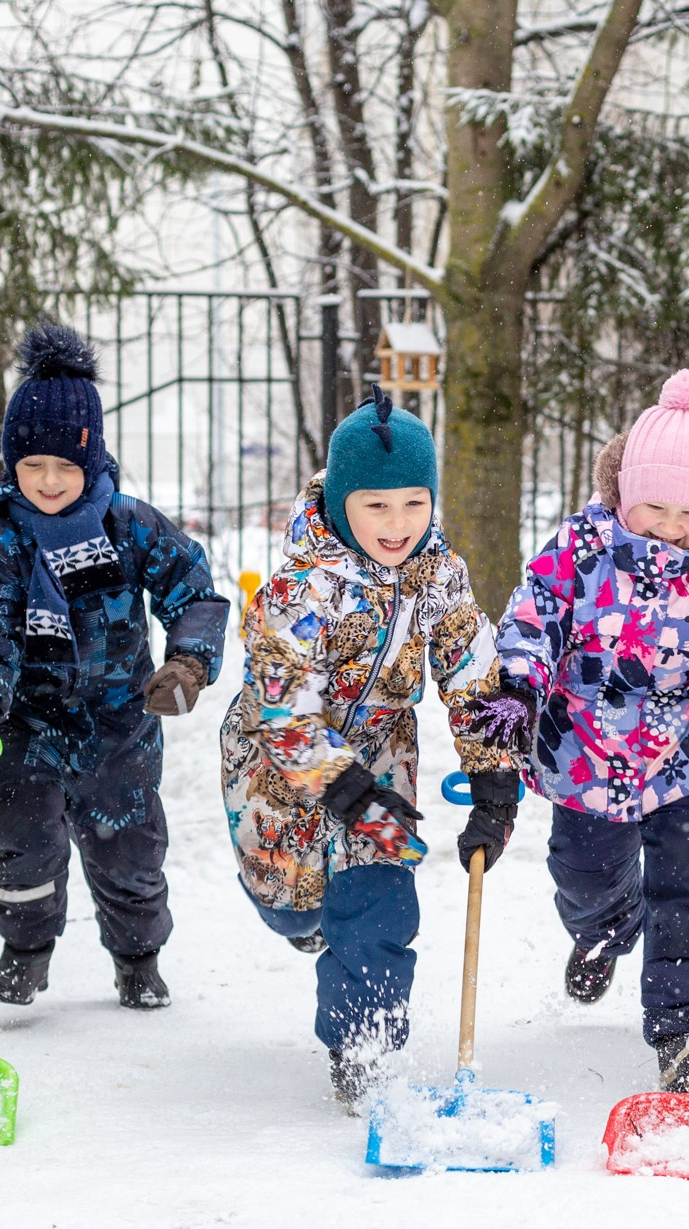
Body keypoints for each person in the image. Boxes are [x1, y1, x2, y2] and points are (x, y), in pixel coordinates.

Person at [488, 370, 689, 1087]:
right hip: (583, 753)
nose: (669, 527)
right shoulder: (580, 547)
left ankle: (688, 1030)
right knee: (586, 877)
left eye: (688, 515)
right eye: (653, 507)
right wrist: (516, 684)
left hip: (682, 762)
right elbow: (533, 615)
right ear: (625, 493)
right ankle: (603, 930)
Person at [221, 388, 521, 1110]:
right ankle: (304, 921)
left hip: (383, 755)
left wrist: (495, 780)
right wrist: (339, 784)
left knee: (381, 903)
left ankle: (365, 1044)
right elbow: (278, 702)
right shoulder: (301, 586)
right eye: (376, 506)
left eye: (414, 504)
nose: (398, 525)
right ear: (343, 501)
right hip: (278, 768)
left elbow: (472, 671)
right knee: (292, 906)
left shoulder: (439, 576)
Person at [0, 324, 227, 1010]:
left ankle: (137, 959)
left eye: (65, 466)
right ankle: (25, 954)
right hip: (29, 724)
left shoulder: (131, 526)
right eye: (33, 466)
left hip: (121, 719)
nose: (50, 481)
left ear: (91, 461)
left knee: (129, 853)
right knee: (18, 844)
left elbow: (195, 593)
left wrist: (186, 663)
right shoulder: (3, 545)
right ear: (12, 466)